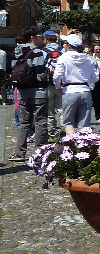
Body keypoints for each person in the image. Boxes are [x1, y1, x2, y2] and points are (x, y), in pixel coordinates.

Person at [10, 28, 50, 162]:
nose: (41, 39)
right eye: (39, 36)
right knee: (40, 121)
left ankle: (19, 153)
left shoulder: (16, 52)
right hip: (38, 91)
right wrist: (47, 70)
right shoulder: (37, 52)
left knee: (23, 123)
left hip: (22, 92)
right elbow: (40, 73)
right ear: (33, 38)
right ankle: (40, 153)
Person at [53, 34, 98, 135]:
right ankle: (83, 146)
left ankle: (72, 146)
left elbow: (57, 76)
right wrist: (87, 82)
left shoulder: (63, 57)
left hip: (69, 90)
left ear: (69, 45)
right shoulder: (87, 59)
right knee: (84, 124)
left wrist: (58, 86)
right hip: (85, 90)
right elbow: (95, 77)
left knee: (68, 122)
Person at [42, 30, 62, 136]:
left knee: (50, 110)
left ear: (47, 40)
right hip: (60, 84)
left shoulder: (43, 52)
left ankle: (51, 131)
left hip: (48, 84)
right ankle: (64, 129)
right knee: (61, 108)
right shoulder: (62, 51)